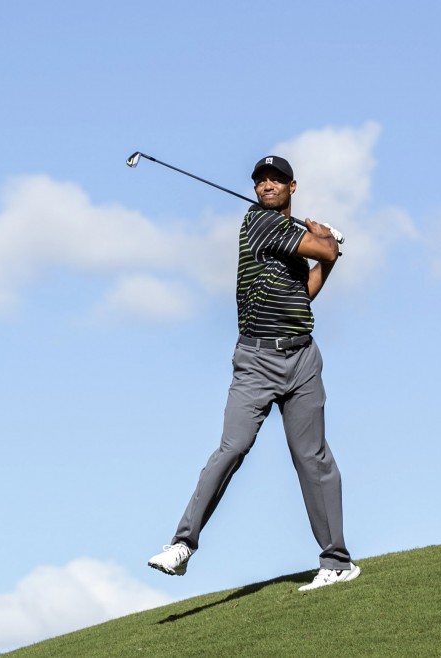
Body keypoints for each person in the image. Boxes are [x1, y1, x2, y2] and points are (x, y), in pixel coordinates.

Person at [147, 155, 360, 592]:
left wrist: (328, 252)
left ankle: (337, 562)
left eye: (275, 180)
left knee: (312, 457)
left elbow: (303, 294)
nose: (266, 186)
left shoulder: (288, 238)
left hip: (301, 358)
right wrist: (325, 239)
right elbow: (323, 249)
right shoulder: (260, 224)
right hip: (256, 362)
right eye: (260, 180)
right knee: (232, 447)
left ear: (292, 187)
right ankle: (182, 544)